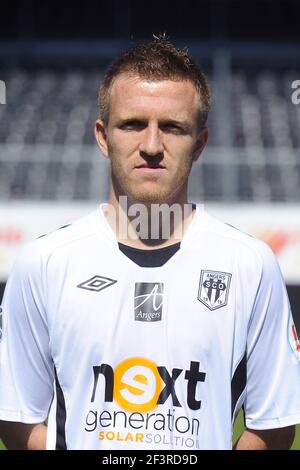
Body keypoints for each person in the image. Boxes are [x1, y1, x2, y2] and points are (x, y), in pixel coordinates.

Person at [0, 36, 300, 451]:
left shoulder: (249, 263)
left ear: (200, 143)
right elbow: (19, 417)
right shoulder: (44, 262)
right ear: (103, 137)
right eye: (133, 124)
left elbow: (273, 424)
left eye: (174, 128)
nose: (152, 146)